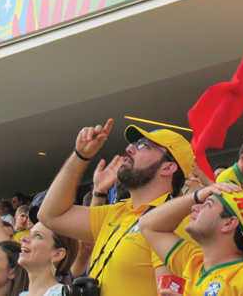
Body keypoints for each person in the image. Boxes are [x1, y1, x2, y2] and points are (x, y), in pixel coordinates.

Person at [38, 119, 194, 296]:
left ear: (168, 167)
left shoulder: (173, 223)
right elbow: (50, 215)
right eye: (133, 144)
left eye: (144, 146)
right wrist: (80, 156)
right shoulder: (117, 212)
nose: (129, 149)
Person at [140, 183, 243, 295]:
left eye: (208, 204)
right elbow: (147, 225)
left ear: (228, 223)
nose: (194, 207)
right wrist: (196, 196)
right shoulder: (192, 261)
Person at [18, 223, 78, 296]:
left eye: (38, 236)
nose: (24, 238)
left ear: (57, 254)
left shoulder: (62, 294)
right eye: (29, 233)